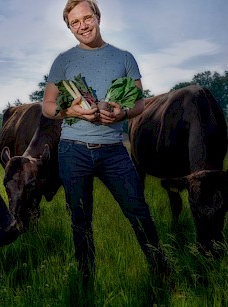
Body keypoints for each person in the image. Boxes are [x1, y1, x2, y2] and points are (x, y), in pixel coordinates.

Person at [42, 0, 169, 283]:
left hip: (113, 152)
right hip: (72, 150)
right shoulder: (63, 61)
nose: (82, 26)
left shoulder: (124, 58)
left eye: (86, 18)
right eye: (74, 23)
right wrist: (69, 111)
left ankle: (162, 273)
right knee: (80, 219)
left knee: (139, 211)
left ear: (98, 17)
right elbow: (47, 106)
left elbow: (139, 104)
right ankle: (87, 279)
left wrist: (122, 112)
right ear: (69, 27)